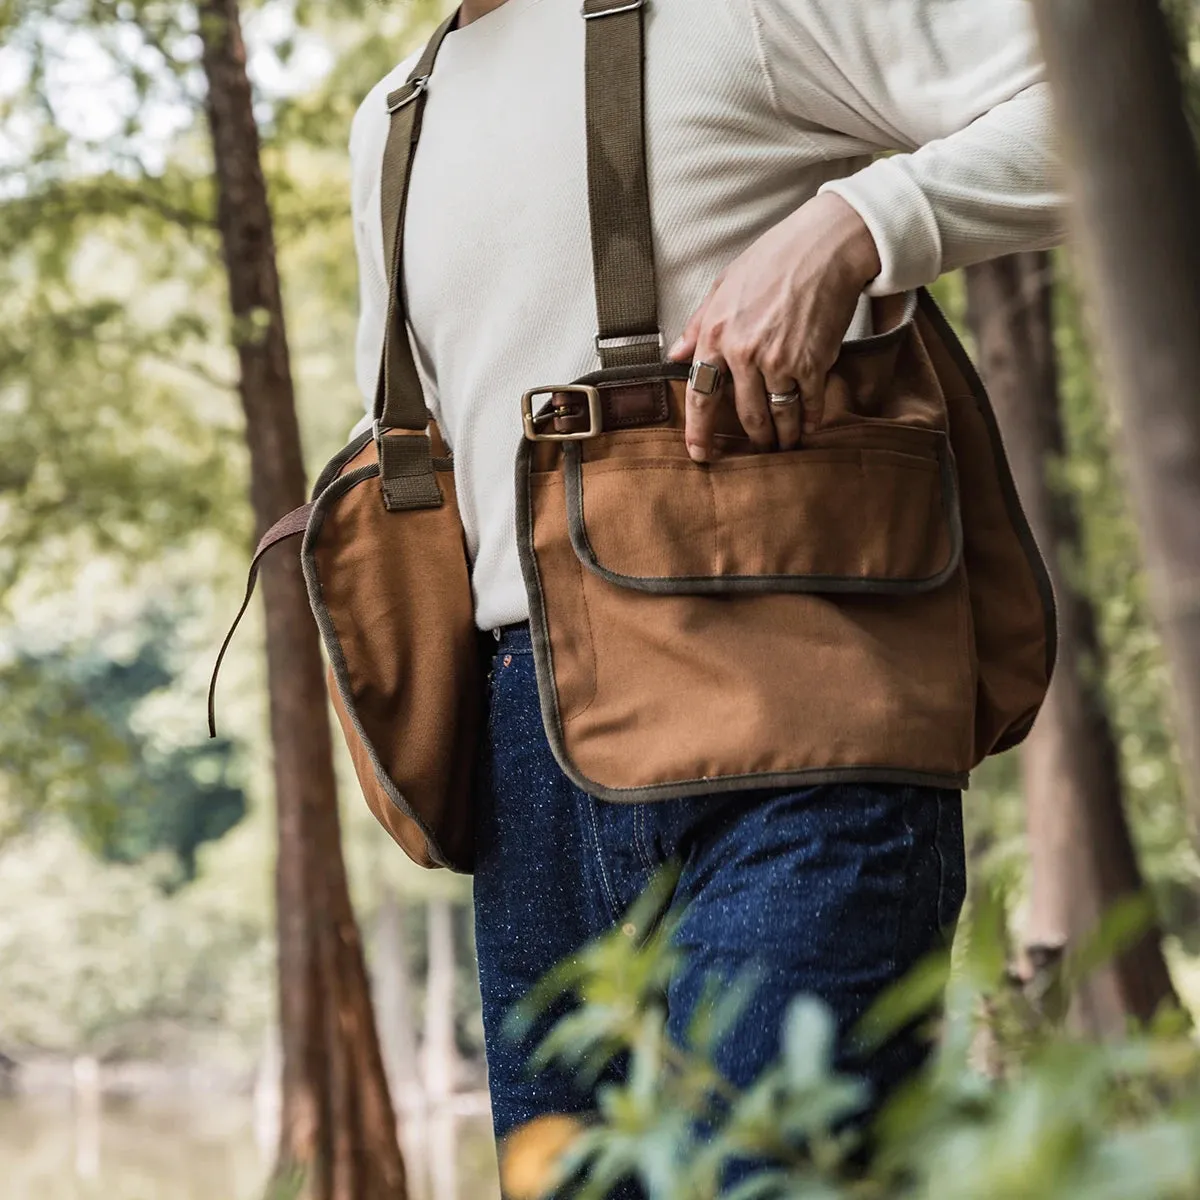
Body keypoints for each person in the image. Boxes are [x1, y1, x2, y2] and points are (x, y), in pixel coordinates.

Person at [349, 0, 1064, 1160]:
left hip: (802, 703)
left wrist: (856, 225)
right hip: (530, 760)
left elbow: (1105, 116)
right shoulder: (391, 119)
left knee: (770, 1177)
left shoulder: (740, 10)